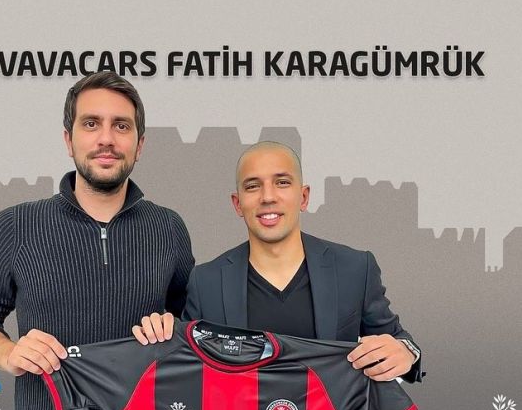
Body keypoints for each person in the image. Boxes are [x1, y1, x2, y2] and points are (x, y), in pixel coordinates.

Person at [0, 71, 194, 410]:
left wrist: (174, 328)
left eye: (121, 126)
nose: (106, 139)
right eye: (91, 124)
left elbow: (191, 324)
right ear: (69, 140)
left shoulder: (168, 227)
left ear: (140, 145)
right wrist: (8, 352)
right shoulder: (17, 224)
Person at [133, 141, 423, 384]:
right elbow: (186, 371)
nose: (268, 197)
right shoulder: (205, 281)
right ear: (237, 204)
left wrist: (406, 353)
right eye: (252, 186)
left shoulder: (355, 268)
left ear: (304, 197)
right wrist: (161, 336)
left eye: (282, 182)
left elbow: (399, 342)